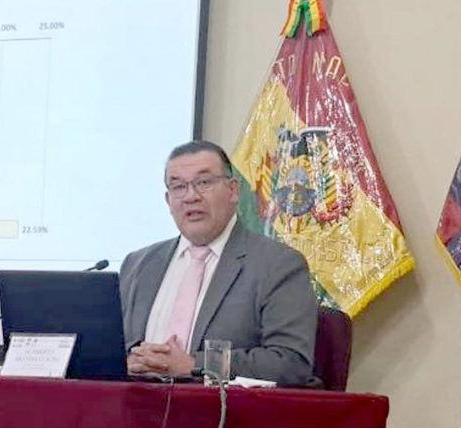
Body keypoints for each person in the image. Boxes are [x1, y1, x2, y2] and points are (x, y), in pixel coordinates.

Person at [119, 140, 317, 386]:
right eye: (178, 186)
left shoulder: (278, 264)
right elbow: (115, 347)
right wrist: (126, 361)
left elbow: (290, 363)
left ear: (233, 190)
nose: (191, 196)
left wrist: (193, 365)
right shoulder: (138, 265)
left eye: (203, 183)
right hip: (136, 405)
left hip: (222, 409)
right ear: (168, 200)